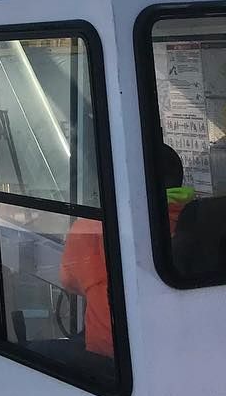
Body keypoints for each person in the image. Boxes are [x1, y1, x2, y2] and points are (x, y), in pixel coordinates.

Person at [60, 142, 192, 359]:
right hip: (179, 348)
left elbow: (68, 281)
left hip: (110, 358)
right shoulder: (197, 218)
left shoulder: (90, 229)